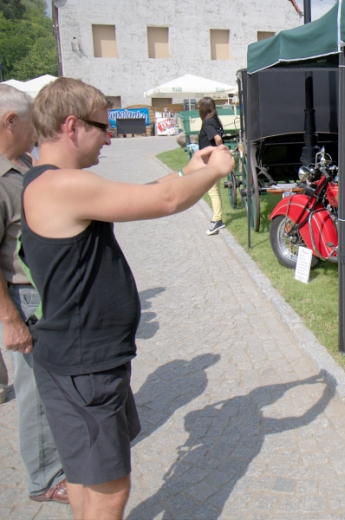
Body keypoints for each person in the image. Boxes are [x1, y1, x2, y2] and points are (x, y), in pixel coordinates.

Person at [19, 77, 234, 520]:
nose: (110, 138)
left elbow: (145, 192)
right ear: (72, 126)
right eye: (103, 127)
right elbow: (165, 200)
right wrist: (216, 170)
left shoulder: (47, 180)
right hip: (86, 366)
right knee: (108, 489)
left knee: (85, 475)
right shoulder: (62, 186)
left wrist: (187, 169)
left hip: (75, 359)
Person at [0, 84, 69, 503]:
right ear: (9, 121)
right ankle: (44, 477)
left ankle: (62, 456)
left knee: (51, 382)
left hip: (43, 293)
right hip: (22, 299)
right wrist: (9, 319)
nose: (36, 132)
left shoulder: (23, 164)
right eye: (31, 124)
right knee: (34, 389)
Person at [197, 96, 226, 235]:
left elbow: (218, 139)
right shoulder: (215, 121)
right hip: (215, 161)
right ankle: (217, 218)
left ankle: (217, 220)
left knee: (213, 191)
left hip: (211, 161)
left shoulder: (207, 123)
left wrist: (219, 151)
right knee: (215, 190)